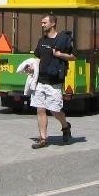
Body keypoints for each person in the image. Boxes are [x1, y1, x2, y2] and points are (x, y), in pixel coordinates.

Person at [28, 15, 74, 149]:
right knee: (40, 109)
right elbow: (38, 58)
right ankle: (43, 139)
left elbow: (73, 57)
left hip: (54, 82)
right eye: (42, 23)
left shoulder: (62, 40)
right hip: (40, 81)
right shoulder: (42, 40)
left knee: (55, 110)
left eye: (45, 22)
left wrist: (60, 55)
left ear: (53, 23)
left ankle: (65, 126)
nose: (42, 25)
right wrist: (32, 67)